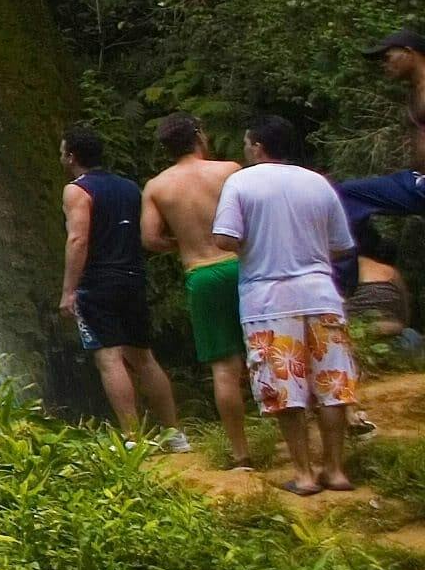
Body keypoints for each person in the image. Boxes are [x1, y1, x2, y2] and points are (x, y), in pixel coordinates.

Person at [220, 113, 362, 496]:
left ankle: (303, 473)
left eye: (248, 144)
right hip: (320, 293)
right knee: (333, 384)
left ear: (258, 147)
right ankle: (335, 469)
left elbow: (225, 239)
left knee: (285, 388)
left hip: (268, 299)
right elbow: (342, 244)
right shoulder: (318, 183)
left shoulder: (240, 182)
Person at [144, 113, 255, 464]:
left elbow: (149, 238)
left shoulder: (157, 187)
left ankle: (240, 455)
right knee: (271, 351)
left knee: (224, 369)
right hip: (243, 266)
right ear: (198, 136)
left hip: (202, 275)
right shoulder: (229, 170)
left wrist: (185, 244)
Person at [60, 129, 173, 436]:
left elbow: (78, 239)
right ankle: (175, 434)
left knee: (109, 357)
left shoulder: (77, 191)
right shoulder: (128, 188)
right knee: (144, 357)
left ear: (71, 156)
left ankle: (132, 436)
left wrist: (69, 291)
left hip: (98, 282)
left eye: (63, 152)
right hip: (133, 277)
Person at [338, 28, 425, 337]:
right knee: (344, 195)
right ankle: (375, 257)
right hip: (416, 183)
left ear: (410, 52)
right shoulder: (415, 89)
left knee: (345, 195)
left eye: (389, 58)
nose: (385, 65)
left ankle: (349, 277)